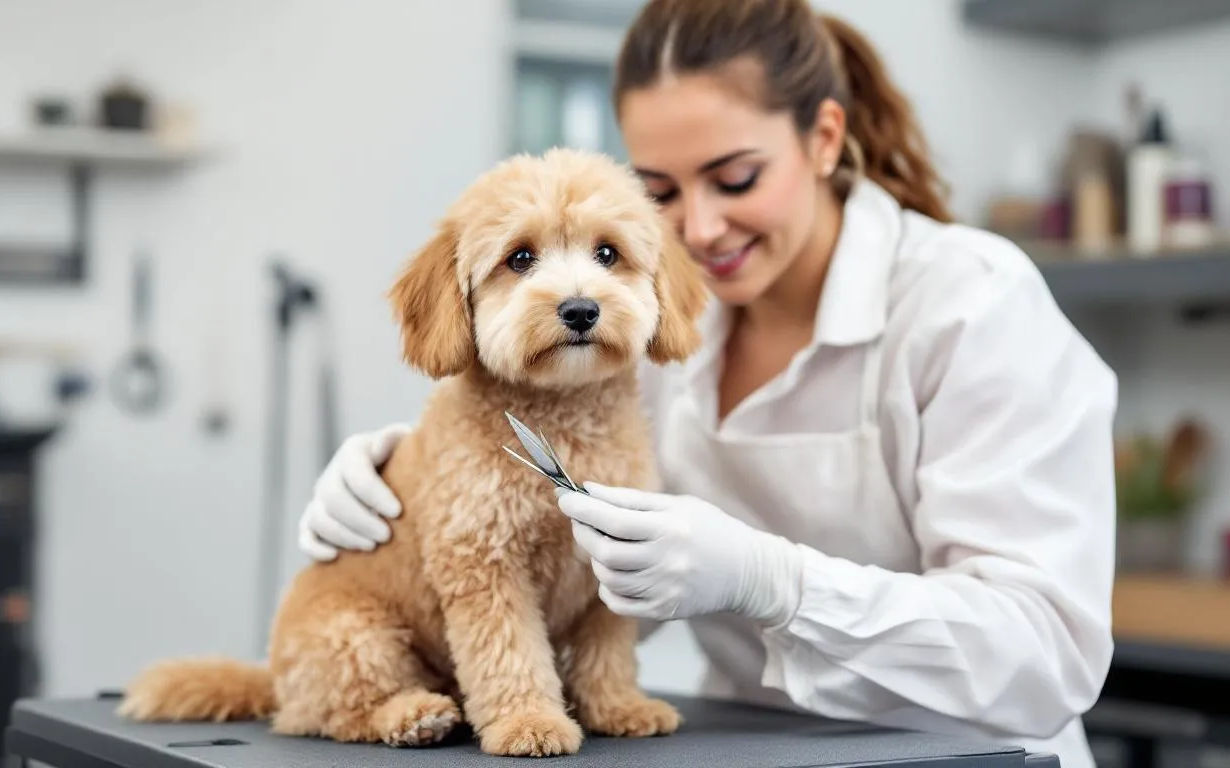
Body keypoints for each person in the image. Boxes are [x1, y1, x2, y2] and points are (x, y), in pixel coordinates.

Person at [296, 1, 1117, 765]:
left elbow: (1046, 655)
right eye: (659, 193)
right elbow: (592, 580)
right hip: (750, 744)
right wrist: (413, 477)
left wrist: (777, 585)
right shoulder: (656, 319)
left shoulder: (972, 304)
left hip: (970, 753)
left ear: (824, 138)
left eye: (735, 179)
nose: (700, 227)